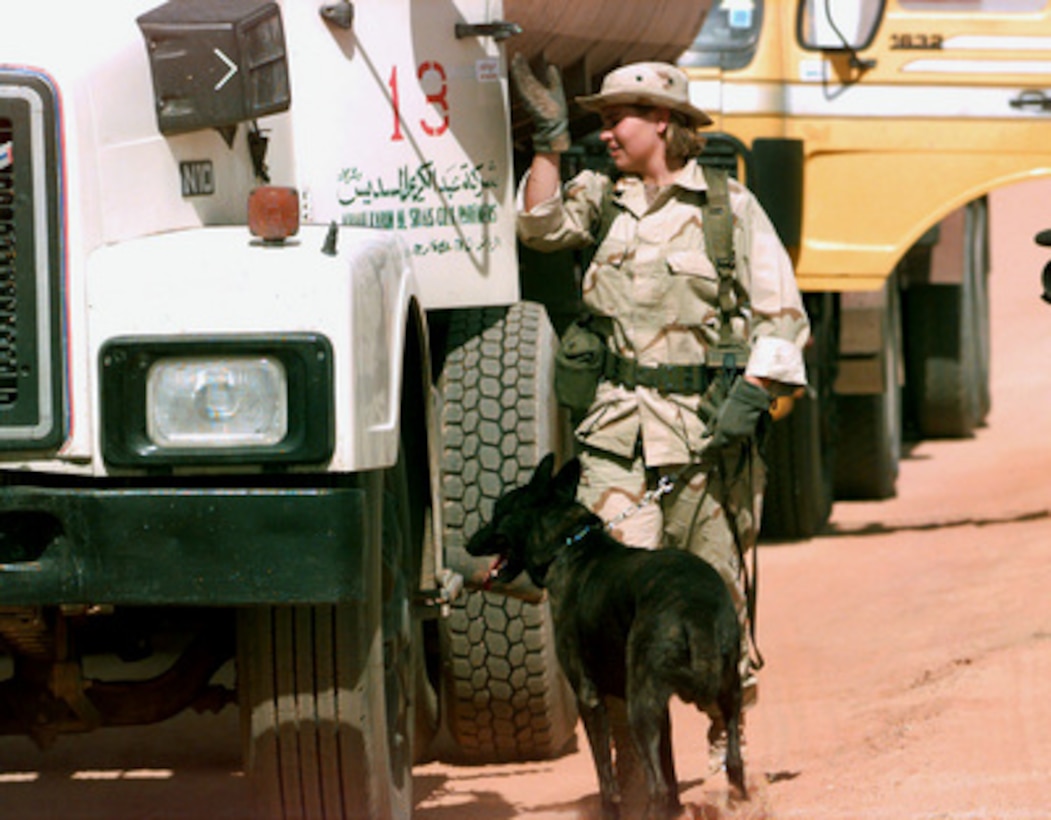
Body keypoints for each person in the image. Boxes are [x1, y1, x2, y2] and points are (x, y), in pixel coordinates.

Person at [511, 54, 810, 770]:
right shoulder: (600, 199)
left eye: (619, 118)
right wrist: (550, 145)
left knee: (712, 596)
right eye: (603, 120)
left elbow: (782, 314)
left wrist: (753, 394)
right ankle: (639, 776)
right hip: (616, 436)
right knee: (611, 611)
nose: (607, 132)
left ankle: (724, 725)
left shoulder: (726, 209)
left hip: (702, 438)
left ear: (664, 122)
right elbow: (537, 227)